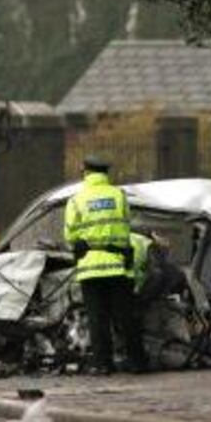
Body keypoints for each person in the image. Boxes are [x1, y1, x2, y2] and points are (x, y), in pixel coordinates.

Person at [63, 156, 146, 375]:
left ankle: (102, 364)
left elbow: (70, 234)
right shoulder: (118, 195)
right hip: (117, 264)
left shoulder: (76, 200)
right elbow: (126, 225)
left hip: (90, 267)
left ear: (85, 173)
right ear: (105, 174)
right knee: (125, 315)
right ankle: (137, 362)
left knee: (97, 318)